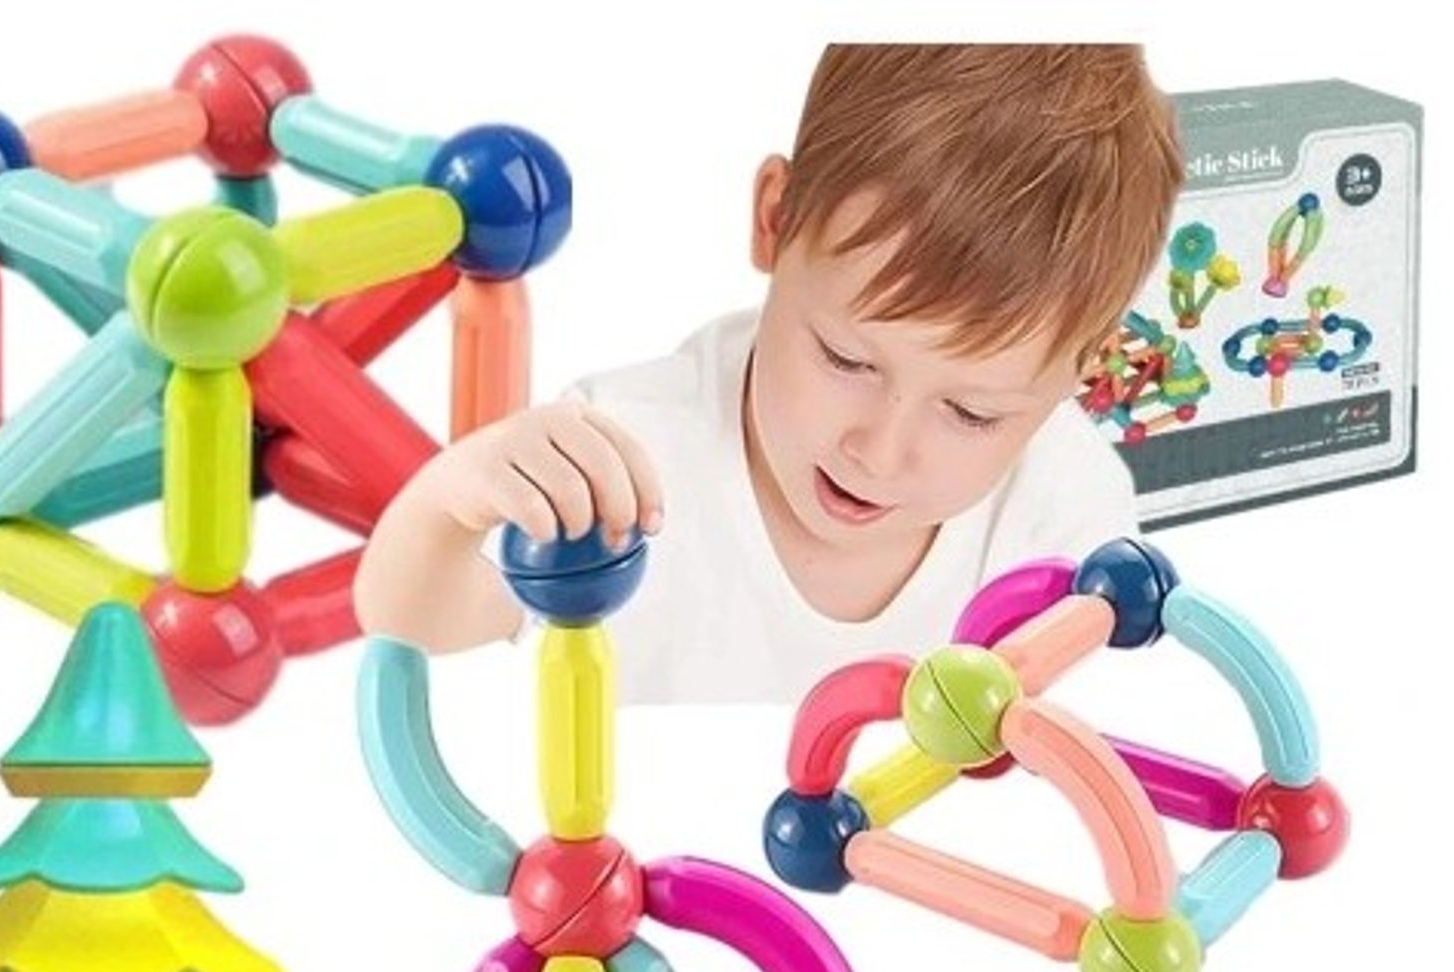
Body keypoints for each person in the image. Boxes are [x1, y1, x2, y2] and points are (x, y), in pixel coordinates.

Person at [356, 44, 1184, 703]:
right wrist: (449, 497)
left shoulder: (1065, 509)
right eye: (847, 359)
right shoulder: (630, 449)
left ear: (1084, 367)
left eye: (970, 413)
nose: (878, 450)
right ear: (775, 220)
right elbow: (414, 624)